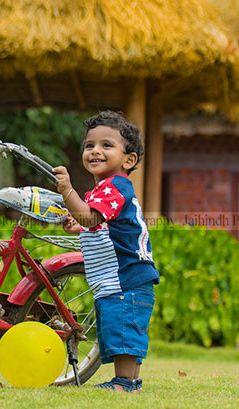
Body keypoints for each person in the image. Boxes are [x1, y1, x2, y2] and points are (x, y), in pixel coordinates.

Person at [52, 111, 159, 392]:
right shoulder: (107, 189)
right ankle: (130, 381)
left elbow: (90, 218)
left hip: (125, 277)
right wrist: (78, 225)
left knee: (123, 328)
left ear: (129, 159)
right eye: (90, 145)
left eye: (106, 145)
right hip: (125, 277)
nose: (95, 151)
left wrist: (66, 190)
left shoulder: (114, 186)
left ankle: (124, 383)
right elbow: (97, 223)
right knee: (121, 326)